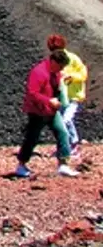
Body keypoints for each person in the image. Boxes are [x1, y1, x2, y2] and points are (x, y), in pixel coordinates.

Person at [12, 48, 77, 177]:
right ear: (53, 61)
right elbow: (32, 93)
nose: (61, 69)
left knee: (63, 133)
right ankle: (21, 165)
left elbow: (56, 88)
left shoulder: (56, 73)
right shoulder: (39, 72)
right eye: (60, 66)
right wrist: (49, 101)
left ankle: (63, 164)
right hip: (37, 111)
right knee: (32, 138)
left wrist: (59, 97)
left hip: (51, 111)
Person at [48, 34, 88, 154]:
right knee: (60, 123)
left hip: (74, 96)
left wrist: (72, 77)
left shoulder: (73, 59)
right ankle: (65, 146)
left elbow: (83, 75)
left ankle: (74, 143)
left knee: (66, 120)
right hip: (61, 96)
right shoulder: (52, 61)